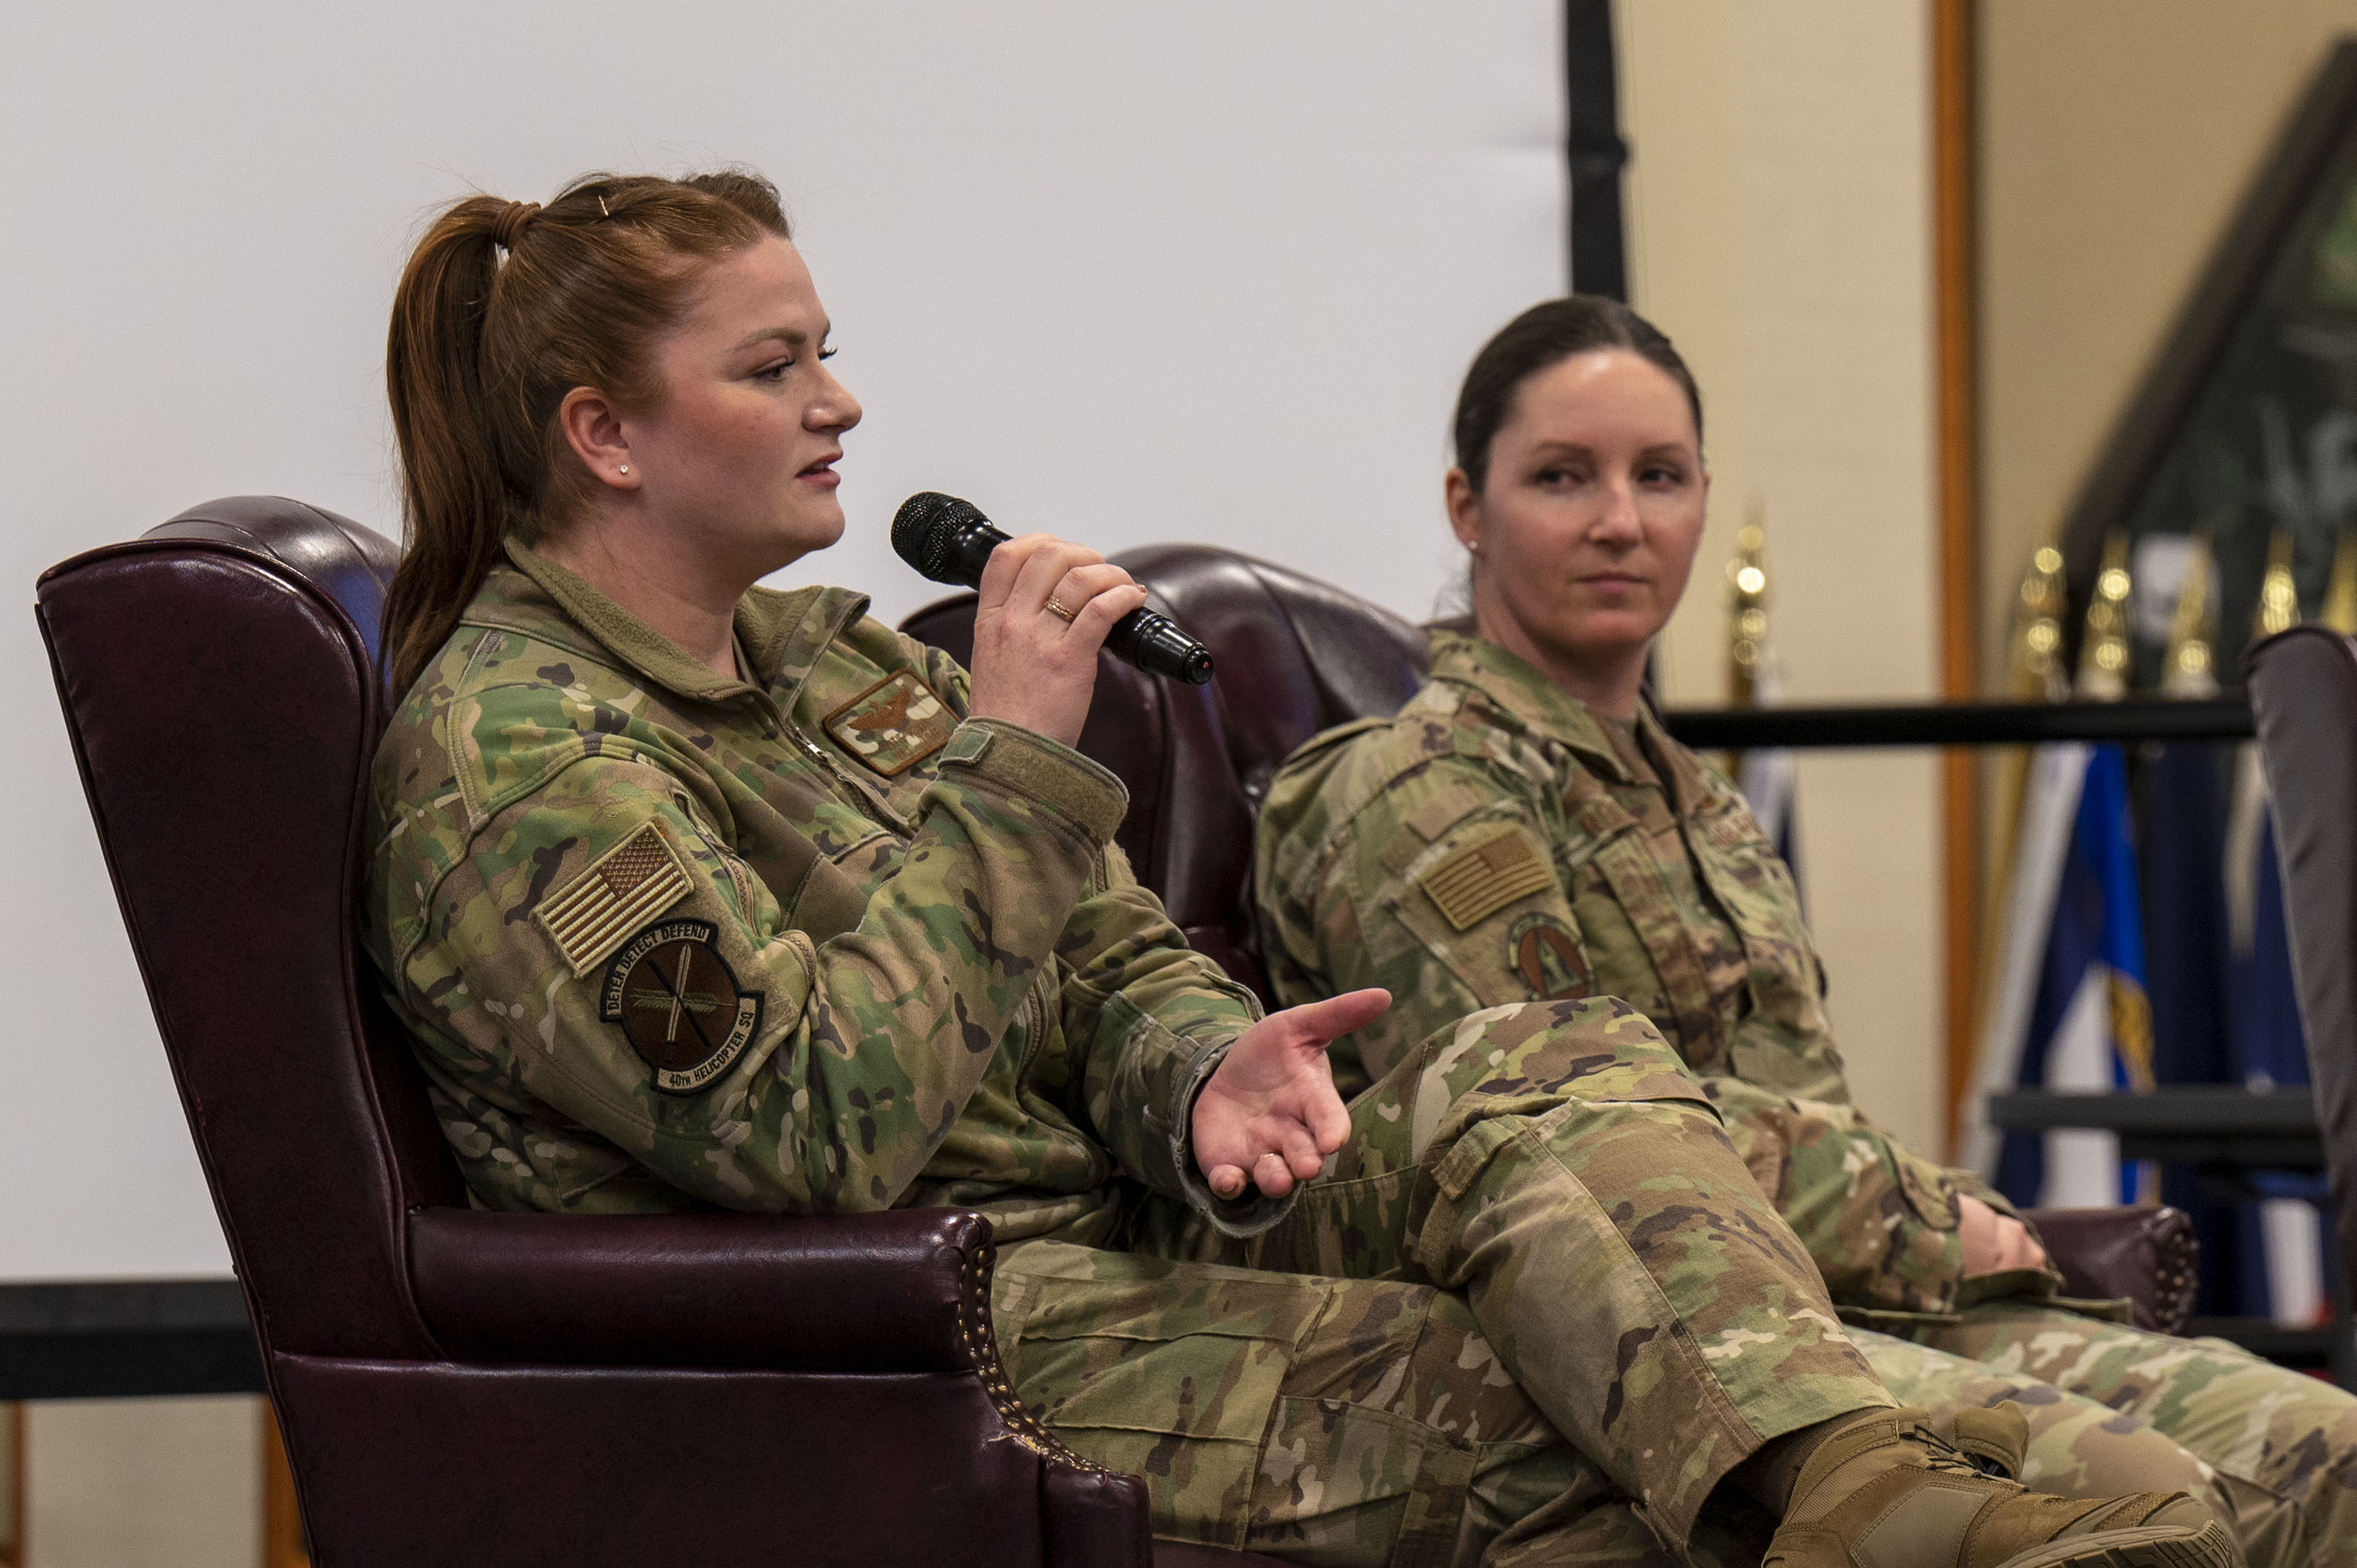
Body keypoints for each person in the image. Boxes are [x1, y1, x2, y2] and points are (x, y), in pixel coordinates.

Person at [360, 171, 2230, 1567]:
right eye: (774, 367)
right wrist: (1017, 752)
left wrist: (1200, 1070)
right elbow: (804, 1133)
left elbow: (1109, 952)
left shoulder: (832, 654)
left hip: (1124, 1215)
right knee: (1539, 1405)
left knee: (1539, 1060)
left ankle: (1851, 1482)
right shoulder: (520, 757)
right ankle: (1882, 1490)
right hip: (917, 1318)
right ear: (603, 434)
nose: (840, 401)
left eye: (828, 350)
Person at [1255, 292, 2357, 1566]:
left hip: (1857, 1302)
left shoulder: (1698, 801)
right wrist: (1931, 1219)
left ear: (1702, 500)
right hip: (1667, 1346)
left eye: (1657, 476)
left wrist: (1918, 1231)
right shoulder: (1418, 788)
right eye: (1563, 477)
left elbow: (1786, 1101)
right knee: (2146, 1507)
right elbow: (1552, 1140)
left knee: (2332, 1457)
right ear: (1467, 508)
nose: (1619, 519)